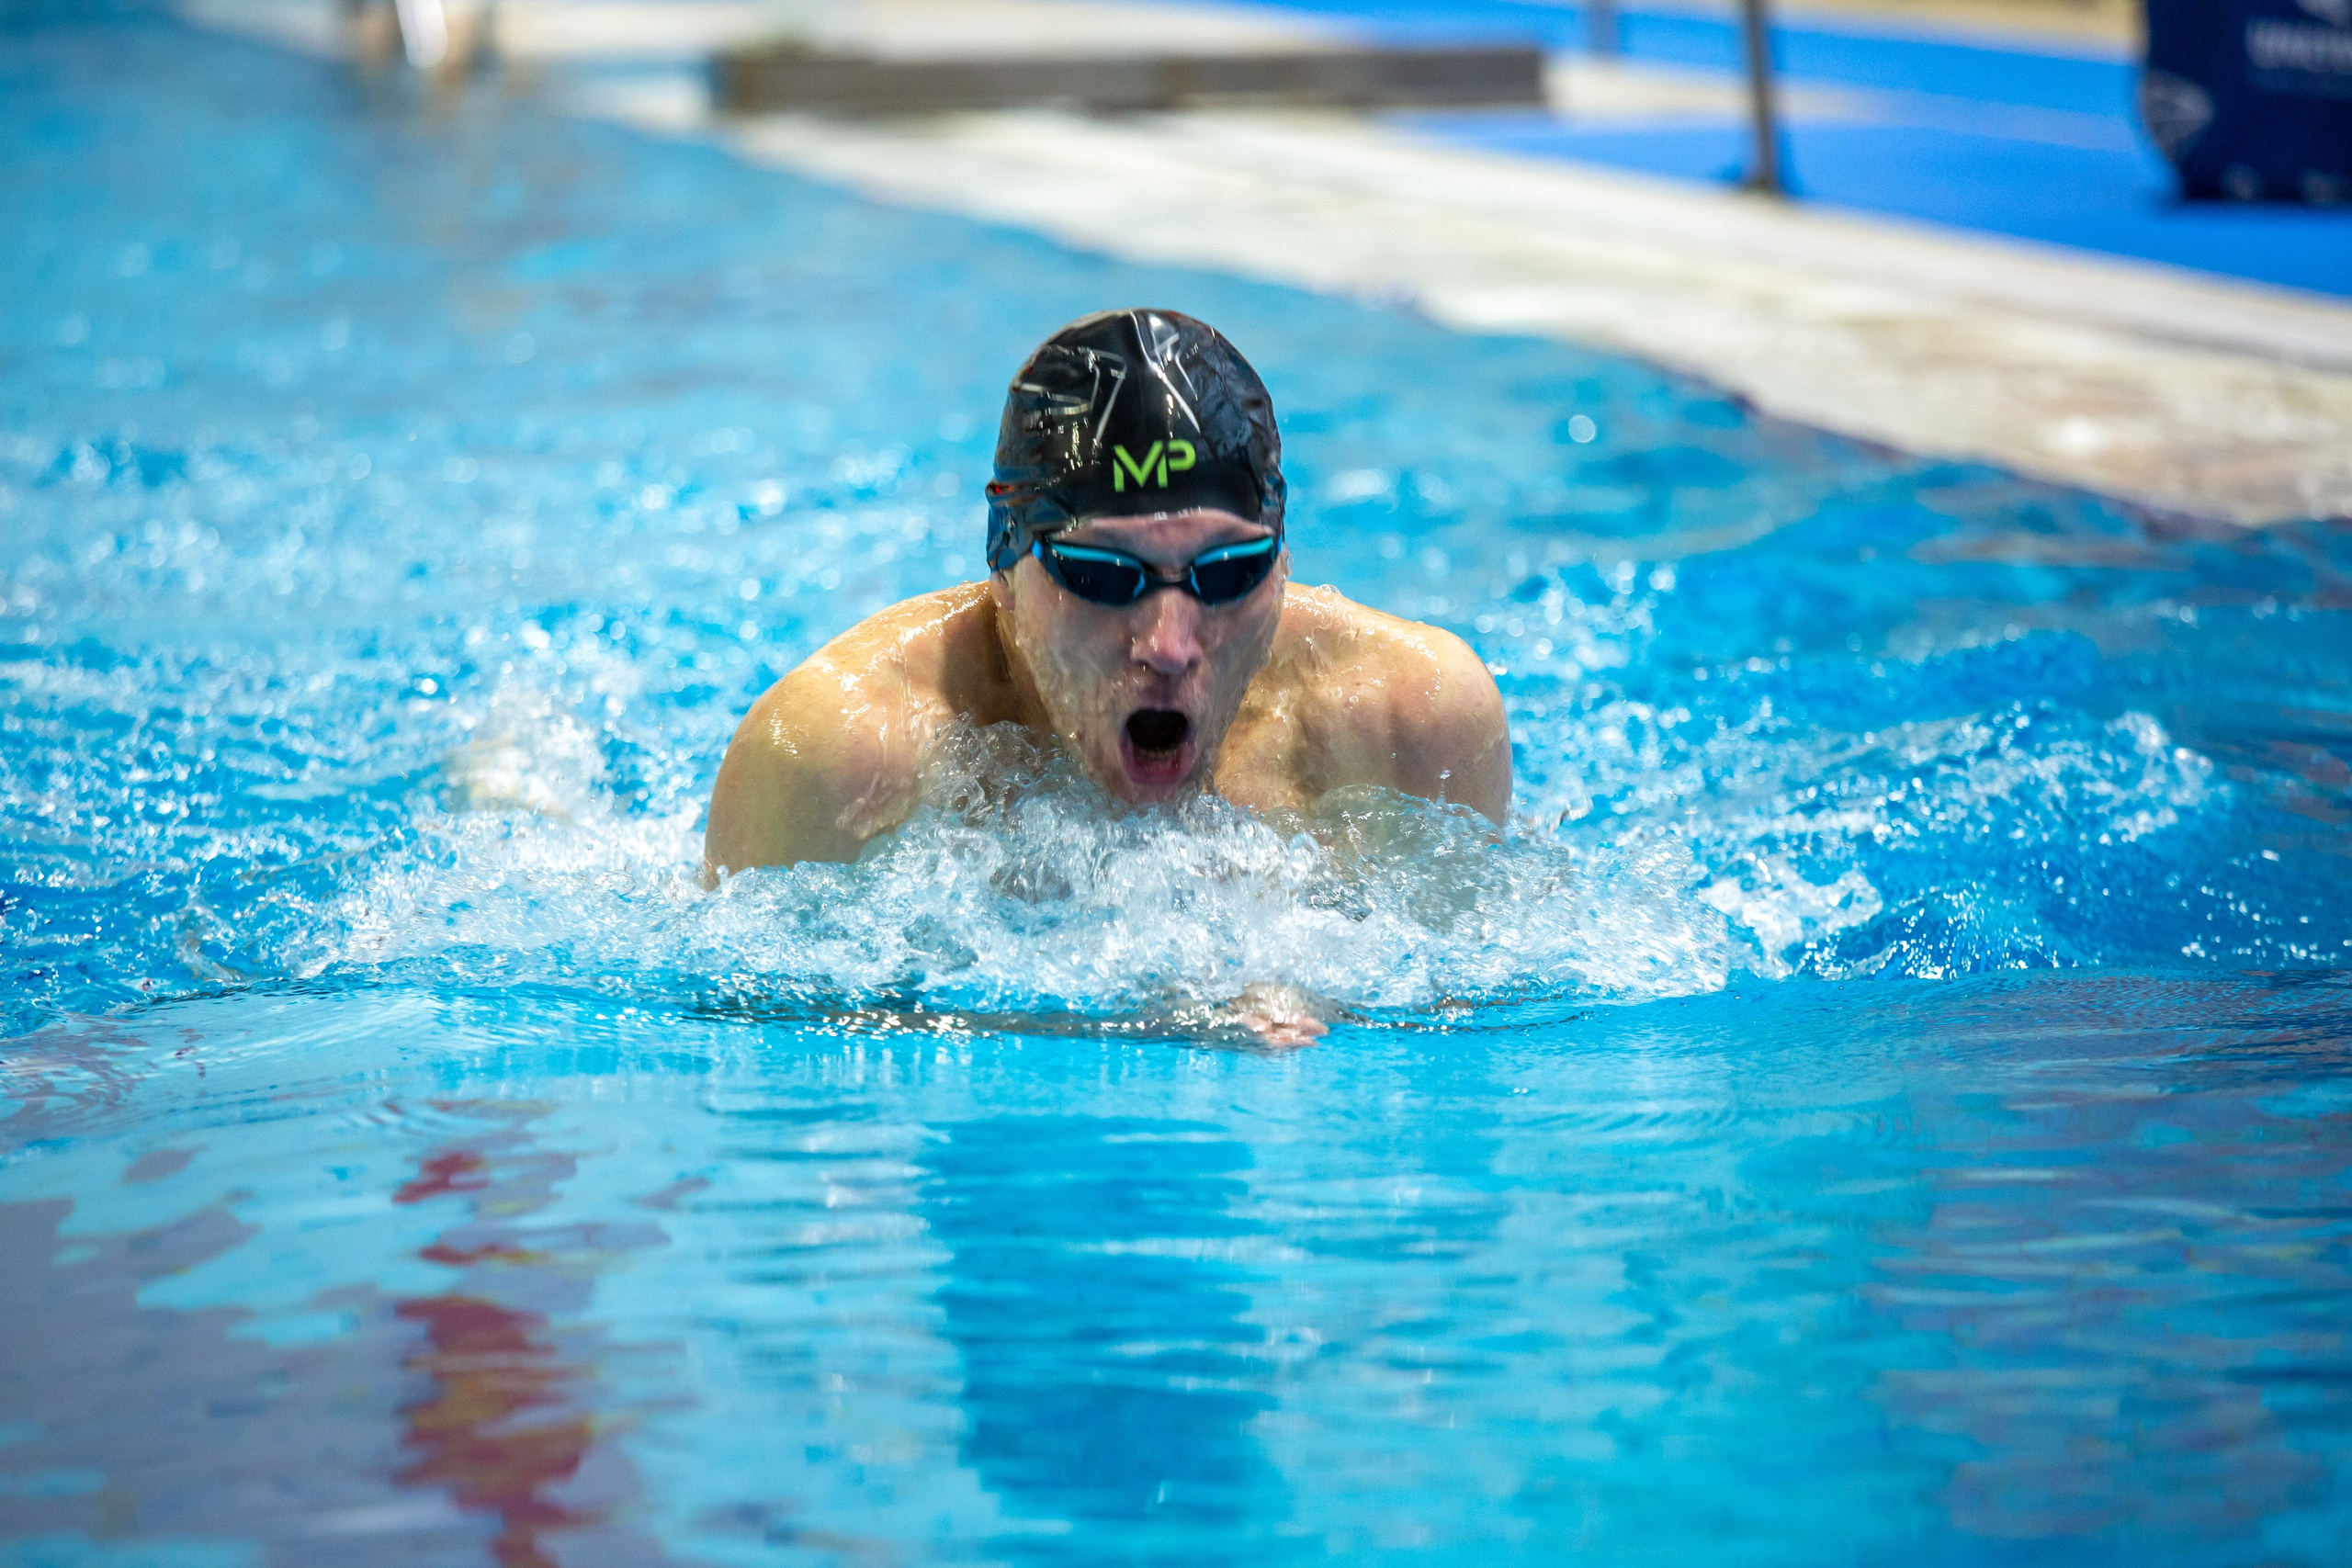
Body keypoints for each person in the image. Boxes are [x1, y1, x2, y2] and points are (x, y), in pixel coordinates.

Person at [703, 307, 1510, 882]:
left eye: (1225, 572)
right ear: (1006, 569)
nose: (1168, 642)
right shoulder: (831, 757)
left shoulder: (1412, 720)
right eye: (1104, 576)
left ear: (1284, 561)